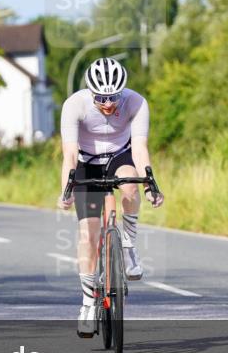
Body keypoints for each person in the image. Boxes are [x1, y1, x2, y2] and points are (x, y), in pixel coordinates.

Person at [57, 57, 164, 338]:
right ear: (91, 92)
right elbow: (68, 153)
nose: (108, 103)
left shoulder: (136, 102)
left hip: (120, 156)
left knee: (130, 187)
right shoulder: (74, 105)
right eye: (102, 98)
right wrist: (66, 189)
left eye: (113, 97)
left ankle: (128, 245)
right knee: (88, 235)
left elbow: (140, 149)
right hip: (87, 161)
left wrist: (151, 184)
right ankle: (88, 304)